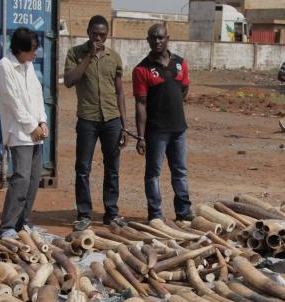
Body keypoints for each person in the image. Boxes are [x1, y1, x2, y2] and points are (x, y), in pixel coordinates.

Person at [64, 15, 128, 231]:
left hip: (111, 119)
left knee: (113, 168)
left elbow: (120, 91)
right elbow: (70, 81)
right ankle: (84, 214)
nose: (99, 38)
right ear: (88, 32)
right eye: (95, 34)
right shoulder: (75, 53)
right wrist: (89, 57)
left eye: (102, 34)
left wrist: (125, 125)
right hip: (87, 119)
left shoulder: (114, 57)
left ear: (107, 34)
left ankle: (112, 213)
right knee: (83, 168)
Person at [133, 24, 193, 222]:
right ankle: (155, 214)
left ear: (168, 38)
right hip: (156, 131)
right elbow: (141, 104)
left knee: (180, 172)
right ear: (148, 40)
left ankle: (183, 213)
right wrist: (141, 136)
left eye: (161, 38)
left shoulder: (180, 64)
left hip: (179, 130)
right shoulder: (142, 69)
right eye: (153, 38)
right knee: (153, 173)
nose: (157, 41)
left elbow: (184, 90)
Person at [0, 27, 48, 239]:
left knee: (34, 179)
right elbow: (13, 102)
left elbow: (37, 95)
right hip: (20, 133)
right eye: (33, 49)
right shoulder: (5, 67)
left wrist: (42, 121)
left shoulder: (29, 66)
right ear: (21, 49)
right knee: (21, 179)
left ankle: (24, 222)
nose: (36, 53)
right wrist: (30, 127)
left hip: (36, 133)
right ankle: (7, 226)